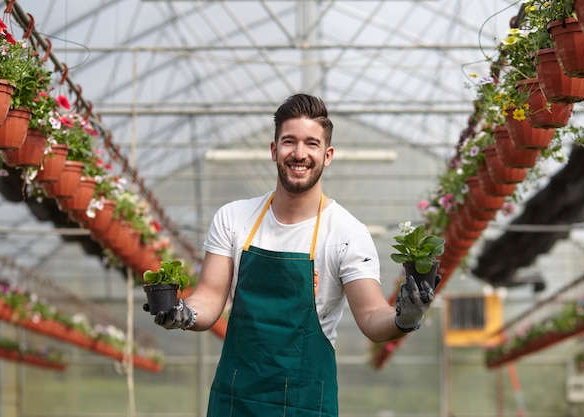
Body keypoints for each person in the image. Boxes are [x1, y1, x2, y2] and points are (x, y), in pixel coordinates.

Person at [148, 93, 440, 416]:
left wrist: (405, 317)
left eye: (311, 144)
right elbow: (209, 297)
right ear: (274, 150)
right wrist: (184, 312)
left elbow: (371, 315)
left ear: (327, 155)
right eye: (289, 141)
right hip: (234, 402)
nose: (299, 154)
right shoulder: (233, 219)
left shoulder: (346, 233)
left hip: (307, 405)